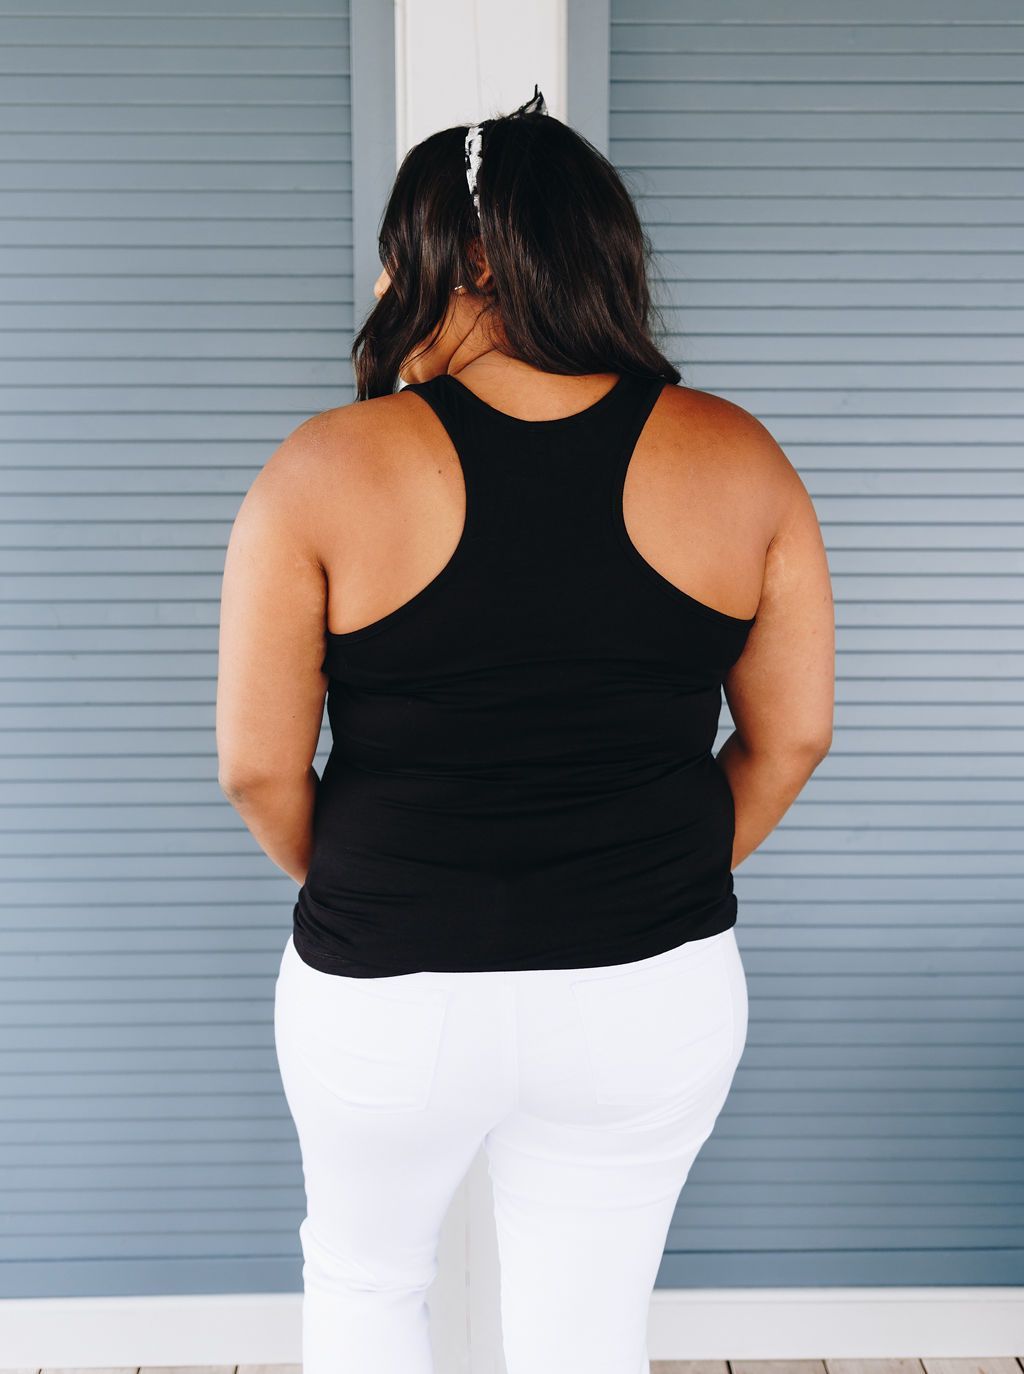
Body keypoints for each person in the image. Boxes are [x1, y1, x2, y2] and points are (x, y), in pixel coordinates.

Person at [216, 85, 834, 1374]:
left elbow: (260, 768)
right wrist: (658, 872)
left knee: (366, 1288)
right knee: (584, 1332)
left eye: (406, 245)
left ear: (474, 256)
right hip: (649, 987)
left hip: (386, 990)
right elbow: (794, 740)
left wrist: (379, 884)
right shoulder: (741, 458)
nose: (392, 274)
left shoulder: (322, 468)